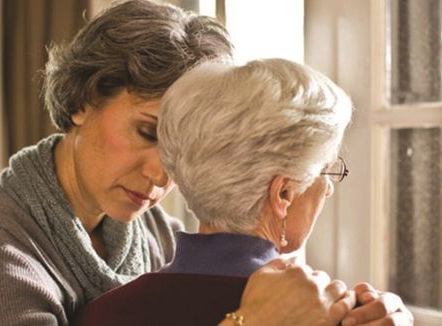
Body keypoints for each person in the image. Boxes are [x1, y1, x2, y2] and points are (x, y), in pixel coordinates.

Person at [0, 0, 411, 325]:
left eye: (180, 143)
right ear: (81, 101)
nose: (162, 173)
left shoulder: (155, 235)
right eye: (148, 132)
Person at [72, 59, 414, 326]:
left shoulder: (105, 313)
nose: (327, 192)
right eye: (327, 171)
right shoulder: (342, 317)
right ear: (282, 195)